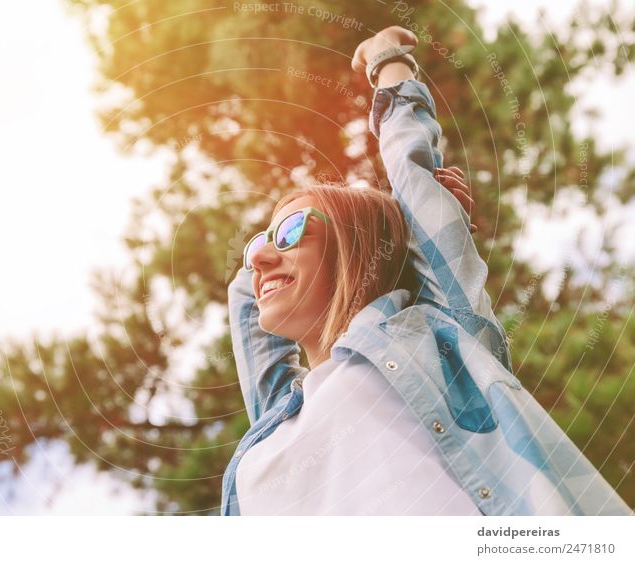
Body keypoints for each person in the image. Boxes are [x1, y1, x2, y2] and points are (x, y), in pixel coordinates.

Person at [220, 26, 633, 516]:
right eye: (259, 246)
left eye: (290, 231)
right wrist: (290, 238)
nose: (264, 257)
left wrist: (388, 64)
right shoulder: (276, 419)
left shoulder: (435, 341)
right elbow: (246, 292)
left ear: (356, 247)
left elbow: (411, 174)